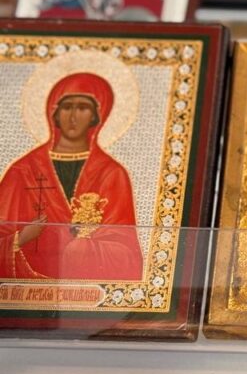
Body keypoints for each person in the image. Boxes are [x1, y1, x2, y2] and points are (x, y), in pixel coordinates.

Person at [0, 72, 143, 280]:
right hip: (27, 288)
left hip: (86, 289)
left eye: (83, 108)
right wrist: (20, 239)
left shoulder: (112, 173)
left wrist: (84, 247)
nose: (73, 116)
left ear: (96, 116)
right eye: (67, 107)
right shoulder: (22, 171)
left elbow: (127, 251)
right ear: (55, 114)